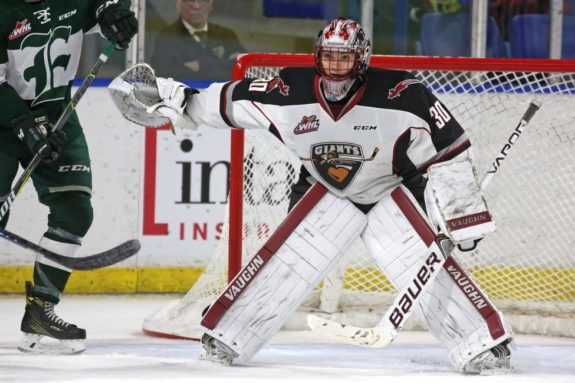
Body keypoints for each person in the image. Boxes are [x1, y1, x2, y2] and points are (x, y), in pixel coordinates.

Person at [113, 17, 513, 374]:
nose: (335, 67)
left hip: (391, 187)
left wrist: (463, 213)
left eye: (345, 58)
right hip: (325, 189)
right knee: (287, 259)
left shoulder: (404, 93)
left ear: (362, 60)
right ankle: (229, 335)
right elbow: (225, 102)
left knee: (419, 264)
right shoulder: (288, 89)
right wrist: (173, 97)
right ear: (317, 56)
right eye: (329, 57)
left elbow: (450, 147)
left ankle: (482, 343)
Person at [0, 0, 138, 354]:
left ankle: (40, 310)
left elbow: (103, 10)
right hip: (4, 122)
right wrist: (25, 125)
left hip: (57, 117)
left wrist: (114, 16)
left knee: (75, 209)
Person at [148, 0, 246, 81]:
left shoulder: (226, 35)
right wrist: (223, 63)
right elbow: (163, 73)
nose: (196, 6)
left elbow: (245, 65)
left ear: (211, 5)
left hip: (221, 98)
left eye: (202, 1)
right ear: (179, 5)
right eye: (190, 1)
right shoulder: (167, 37)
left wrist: (200, 65)